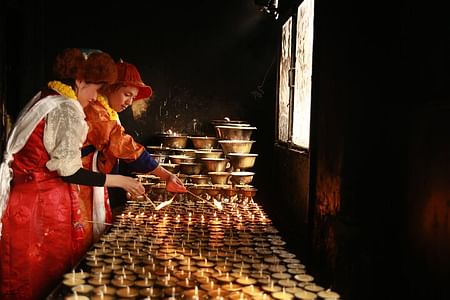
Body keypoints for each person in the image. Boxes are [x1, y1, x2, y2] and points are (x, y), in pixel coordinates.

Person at [0, 48, 145, 300]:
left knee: (24, 272)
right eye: (96, 88)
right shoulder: (66, 109)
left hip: (22, 200)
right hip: (42, 207)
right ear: (79, 81)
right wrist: (119, 180)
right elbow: (69, 172)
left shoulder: (46, 95)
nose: (96, 95)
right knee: (45, 278)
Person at [80, 60, 186, 251]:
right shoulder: (96, 111)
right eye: (126, 94)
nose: (130, 102)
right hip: (79, 182)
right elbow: (122, 145)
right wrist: (165, 175)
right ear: (110, 88)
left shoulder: (108, 112)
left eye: (133, 97)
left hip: (90, 181)